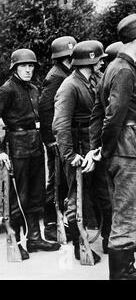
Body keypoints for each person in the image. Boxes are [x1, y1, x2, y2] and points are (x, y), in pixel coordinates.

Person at [88, 13, 136, 280]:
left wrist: (98, 148)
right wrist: (104, 150)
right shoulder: (126, 70)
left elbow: (97, 112)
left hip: (120, 149)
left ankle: (126, 268)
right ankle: (121, 273)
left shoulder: (112, 68)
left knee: (123, 210)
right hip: (129, 151)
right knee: (130, 212)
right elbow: (113, 115)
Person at [53, 40, 112, 265]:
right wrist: (70, 155)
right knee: (76, 199)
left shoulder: (95, 80)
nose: (102, 63)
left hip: (94, 147)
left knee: (106, 195)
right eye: (99, 59)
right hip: (78, 149)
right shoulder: (69, 86)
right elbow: (60, 124)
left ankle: (108, 240)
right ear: (90, 61)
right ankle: (80, 246)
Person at [0, 49, 61, 260]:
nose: (28, 69)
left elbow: (43, 120)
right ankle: (16, 242)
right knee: (19, 196)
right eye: (24, 66)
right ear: (15, 68)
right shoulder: (6, 90)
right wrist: (0, 151)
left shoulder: (34, 89)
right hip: (16, 147)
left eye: (31, 65)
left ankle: (34, 238)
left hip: (35, 145)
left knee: (37, 194)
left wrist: (49, 141)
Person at [39, 36, 77, 242]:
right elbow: (45, 109)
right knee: (55, 182)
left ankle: (60, 222)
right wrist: (50, 140)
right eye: (69, 56)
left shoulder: (65, 73)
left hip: (63, 137)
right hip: (55, 139)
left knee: (62, 182)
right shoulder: (55, 77)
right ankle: (50, 225)